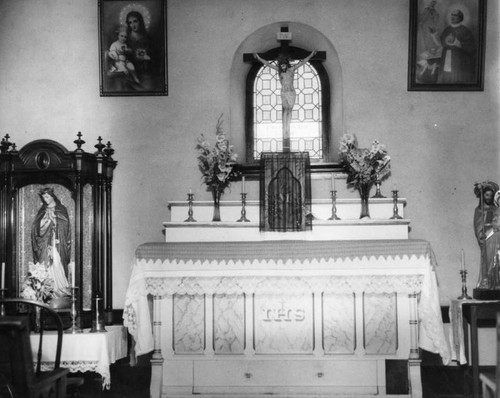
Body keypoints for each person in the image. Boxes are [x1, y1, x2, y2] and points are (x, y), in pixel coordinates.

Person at [254, 50, 317, 151]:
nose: (282, 67)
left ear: (286, 65)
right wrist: (258, 57)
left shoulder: (292, 70)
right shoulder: (279, 71)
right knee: (285, 110)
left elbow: (303, 62)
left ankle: (288, 130)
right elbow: (267, 64)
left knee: (289, 111)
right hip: (284, 93)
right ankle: (285, 131)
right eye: (281, 65)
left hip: (291, 92)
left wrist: (311, 55)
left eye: (284, 65)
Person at [31, 187, 71, 298]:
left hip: (57, 243)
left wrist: (55, 221)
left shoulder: (61, 209)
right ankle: (45, 293)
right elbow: (36, 228)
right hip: (44, 244)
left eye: (47, 197)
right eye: (43, 197)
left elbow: (65, 225)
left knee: (57, 263)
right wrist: (46, 221)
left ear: (52, 196)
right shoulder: (42, 210)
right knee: (44, 266)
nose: (45, 199)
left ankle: (59, 291)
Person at [437, 9, 476, 84]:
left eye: (455, 15)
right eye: (452, 14)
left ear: (460, 17)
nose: (452, 17)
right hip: (446, 60)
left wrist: (458, 43)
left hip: (459, 63)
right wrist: (434, 35)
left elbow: (472, 49)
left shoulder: (465, 31)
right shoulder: (447, 29)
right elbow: (442, 43)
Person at [473, 181, 500, 289]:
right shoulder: (479, 210)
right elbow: (477, 225)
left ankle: (496, 283)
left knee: (496, 260)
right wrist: (481, 234)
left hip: (497, 238)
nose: (488, 197)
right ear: (482, 196)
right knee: (488, 261)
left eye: (491, 195)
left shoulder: (496, 209)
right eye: (486, 195)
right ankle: (486, 282)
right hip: (487, 239)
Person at [126, 11, 153, 77]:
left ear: (140, 21)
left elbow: (152, 54)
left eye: (135, 21)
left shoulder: (147, 37)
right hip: (132, 70)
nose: (133, 25)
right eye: (130, 23)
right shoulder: (127, 38)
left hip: (146, 70)